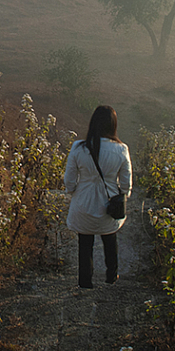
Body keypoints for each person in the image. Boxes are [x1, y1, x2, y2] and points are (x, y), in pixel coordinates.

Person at [64, 105, 132, 289]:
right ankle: (111, 276)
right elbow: (126, 185)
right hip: (109, 204)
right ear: (113, 125)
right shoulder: (121, 149)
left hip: (83, 204)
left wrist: (76, 192)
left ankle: (85, 282)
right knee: (110, 238)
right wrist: (121, 195)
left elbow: (69, 181)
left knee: (85, 242)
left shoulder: (79, 147)